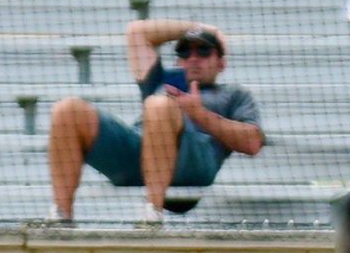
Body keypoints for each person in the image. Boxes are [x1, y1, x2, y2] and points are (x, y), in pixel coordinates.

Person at [46, 20, 264, 225]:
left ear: (221, 63)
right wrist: (200, 28)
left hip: (191, 164)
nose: (194, 57)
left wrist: (199, 114)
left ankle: (152, 213)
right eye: (185, 51)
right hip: (142, 156)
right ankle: (62, 218)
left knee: (159, 105)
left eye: (204, 51)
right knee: (67, 110)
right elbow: (137, 32)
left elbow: (252, 143)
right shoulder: (163, 81)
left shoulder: (234, 94)